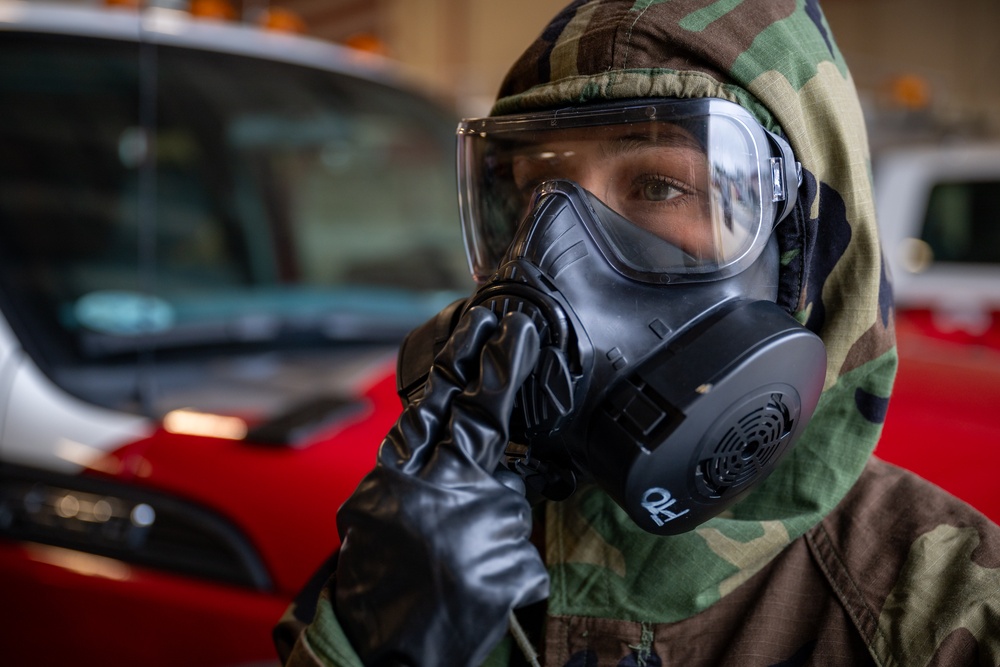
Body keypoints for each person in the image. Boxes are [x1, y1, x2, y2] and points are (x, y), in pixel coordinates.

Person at [274, 1, 1000, 665]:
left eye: (658, 186)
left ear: (803, 247)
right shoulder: (421, 550)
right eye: (531, 192)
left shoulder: (941, 613)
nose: (548, 258)